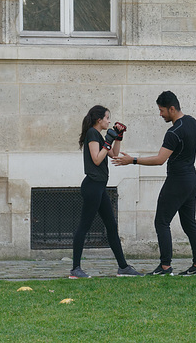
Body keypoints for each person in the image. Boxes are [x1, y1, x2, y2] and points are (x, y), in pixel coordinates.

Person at [113, 91, 196, 277]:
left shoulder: (173, 132)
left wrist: (132, 160)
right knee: (189, 224)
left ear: (172, 108)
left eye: (162, 110)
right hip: (192, 180)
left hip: (177, 181)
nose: (160, 114)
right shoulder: (192, 122)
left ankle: (165, 267)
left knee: (161, 222)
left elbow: (160, 159)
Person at [72, 105, 143, 278]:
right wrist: (108, 140)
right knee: (84, 226)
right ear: (99, 119)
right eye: (107, 118)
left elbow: (114, 155)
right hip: (92, 186)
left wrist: (117, 137)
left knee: (111, 226)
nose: (109, 121)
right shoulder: (92, 134)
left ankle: (123, 267)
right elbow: (97, 159)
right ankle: (75, 269)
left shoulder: (100, 136)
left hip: (99, 186)